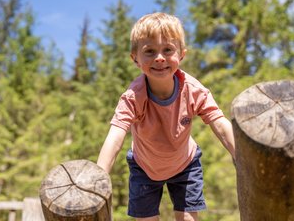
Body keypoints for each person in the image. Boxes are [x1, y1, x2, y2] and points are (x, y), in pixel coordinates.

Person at [97, 12, 235, 221]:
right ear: (135, 58)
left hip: (185, 164)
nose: (159, 58)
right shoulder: (134, 97)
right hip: (144, 167)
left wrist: (241, 157)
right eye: (150, 51)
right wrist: (98, 178)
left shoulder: (193, 90)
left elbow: (221, 126)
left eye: (168, 50)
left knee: (188, 218)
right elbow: (115, 137)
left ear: (181, 54)